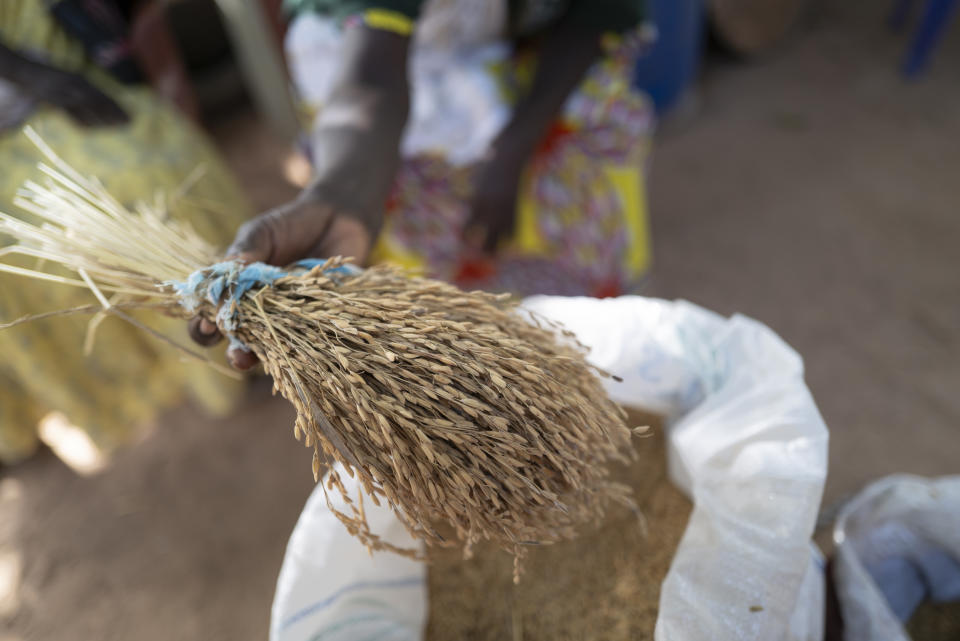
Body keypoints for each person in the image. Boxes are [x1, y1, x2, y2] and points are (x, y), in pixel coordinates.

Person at [192, 0, 655, 369]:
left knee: (582, 195)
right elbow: (371, 82)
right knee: (436, 274)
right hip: (375, 65)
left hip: (519, 39)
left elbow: (599, 13)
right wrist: (342, 198)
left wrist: (512, 152)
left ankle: (595, 361)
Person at [0, 0, 252, 463]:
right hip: (22, 119)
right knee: (121, 191)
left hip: (79, 76)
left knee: (152, 176)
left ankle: (244, 332)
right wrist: (39, 77)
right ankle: (215, 354)